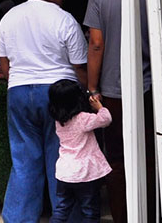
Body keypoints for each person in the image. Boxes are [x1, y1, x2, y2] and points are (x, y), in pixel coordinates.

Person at [0, 0, 88, 223]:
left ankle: (18, 218)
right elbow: (79, 65)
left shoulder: (11, 16)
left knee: (24, 160)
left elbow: (3, 59)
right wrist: (89, 93)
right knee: (61, 157)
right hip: (59, 94)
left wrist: (16, 79)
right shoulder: (64, 19)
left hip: (19, 91)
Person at [84, 0, 154, 223]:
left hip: (113, 91)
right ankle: (149, 214)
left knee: (116, 159)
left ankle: (122, 217)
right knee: (149, 157)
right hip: (150, 88)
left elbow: (96, 43)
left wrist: (92, 87)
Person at [48, 79, 112, 222]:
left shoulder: (59, 121)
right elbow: (106, 119)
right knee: (90, 211)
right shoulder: (83, 119)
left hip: (65, 172)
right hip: (85, 173)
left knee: (62, 209)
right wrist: (99, 107)